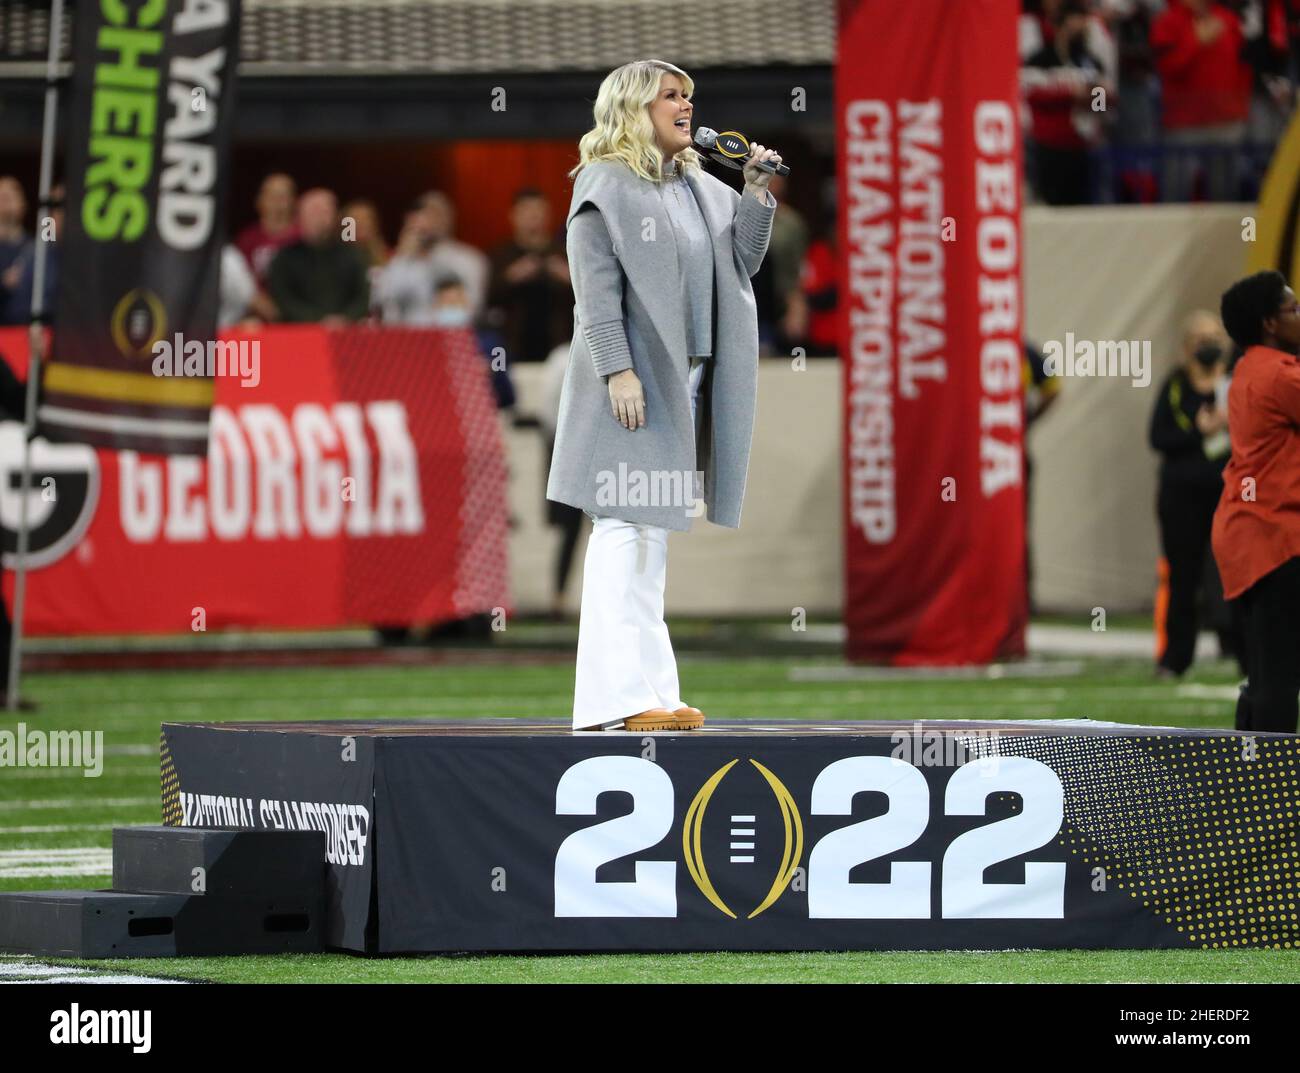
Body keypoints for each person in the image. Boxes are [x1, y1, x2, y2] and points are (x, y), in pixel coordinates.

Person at [547, 58, 779, 732]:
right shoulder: (604, 183)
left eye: (689, 95)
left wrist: (757, 192)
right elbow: (595, 292)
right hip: (637, 380)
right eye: (671, 96)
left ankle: (651, 694)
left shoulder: (701, 183)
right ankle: (614, 701)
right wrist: (617, 370)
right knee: (623, 526)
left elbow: (743, 259)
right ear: (634, 108)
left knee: (651, 537)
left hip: (688, 378)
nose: (686, 106)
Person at [1212, 271, 1300, 732]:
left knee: (1268, 671)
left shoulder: (1249, 367)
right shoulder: (1281, 375)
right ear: (1270, 322)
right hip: (1274, 538)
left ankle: (1251, 780)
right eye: (1294, 309)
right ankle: (1275, 790)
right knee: (1279, 677)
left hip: (1250, 536)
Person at [1149, 310, 1235, 676]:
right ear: (1186, 347)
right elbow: (1157, 438)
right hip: (1181, 498)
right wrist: (1199, 430)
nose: (1209, 345)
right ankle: (1175, 658)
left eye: (1215, 336)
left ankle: (1241, 652)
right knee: (1183, 577)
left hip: (1230, 497)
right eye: (1200, 338)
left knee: (1234, 575)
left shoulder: (1236, 385)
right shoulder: (1174, 387)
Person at [1151, 0, 1253, 200]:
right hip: (1183, 125)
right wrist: (1195, 42)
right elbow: (1166, 68)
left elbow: (1244, 67)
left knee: (1225, 196)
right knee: (1176, 194)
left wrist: (1240, 107)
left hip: (1226, 121)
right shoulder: (1167, 22)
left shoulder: (1228, 19)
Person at [486, 189, 573, 362]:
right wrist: (511, 277)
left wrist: (570, 280)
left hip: (560, 348)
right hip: (511, 348)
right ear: (513, 215)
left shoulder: (566, 253)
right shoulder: (500, 255)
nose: (533, 216)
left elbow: (588, 301)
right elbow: (488, 301)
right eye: (526, 210)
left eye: (539, 210)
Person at [375, 192, 489, 324]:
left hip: (448, 337)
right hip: (405, 338)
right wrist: (403, 257)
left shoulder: (470, 259)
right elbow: (383, 299)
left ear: (449, 219)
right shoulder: (402, 260)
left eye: (435, 215)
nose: (428, 222)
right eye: (422, 215)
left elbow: (472, 307)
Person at [266, 188, 370, 325]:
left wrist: (346, 318)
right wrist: (317, 320)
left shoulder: (352, 255)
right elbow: (283, 299)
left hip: (346, 335)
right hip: (300, 335)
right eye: (315, 212)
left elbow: (363, 296)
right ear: (300, 217)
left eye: (326, 211)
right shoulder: (284, 258)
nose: (321, 218)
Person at [235, 173, 298, 320]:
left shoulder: (302, 237)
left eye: (283, 196)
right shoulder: (247, 239)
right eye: (272, 196)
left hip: (297, 315)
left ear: (293, 202)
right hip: (256, 314)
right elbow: (239, 280)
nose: (277, 202)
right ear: (259, 201)